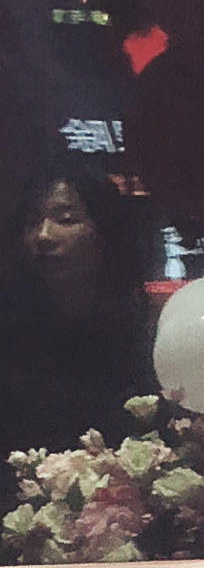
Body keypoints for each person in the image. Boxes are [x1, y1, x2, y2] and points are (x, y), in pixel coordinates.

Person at [0, 154, 158, 455]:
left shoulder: (146, 328)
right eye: (33, 221)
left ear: (105, 231)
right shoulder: (9, 328)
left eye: (66, 220)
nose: (44, 235)